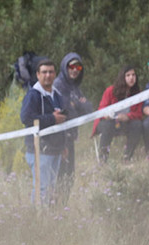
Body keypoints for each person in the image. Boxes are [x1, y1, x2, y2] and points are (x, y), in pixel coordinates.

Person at [19, 59, 67, 205]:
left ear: (55, 74)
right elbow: (26, 118)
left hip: (55, 150)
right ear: (38, 75)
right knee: (41, 189)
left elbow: (61, 121)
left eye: (51, 72)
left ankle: (48, 221)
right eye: (44, 72)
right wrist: (51, 119)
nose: (48, 75)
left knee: (51, 189)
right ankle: (37, 221)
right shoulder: (33, 95)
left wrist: (63, 145)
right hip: (38, 150)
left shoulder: (57, 95)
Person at [53, 53, 94, 199]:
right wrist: (78, 105)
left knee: (69, 177)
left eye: (78, 66)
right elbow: (67, 113)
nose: (75, 70)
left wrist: (78, 105)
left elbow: (89, 109)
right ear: (65, 66)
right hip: (59, 138)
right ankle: (54, 212)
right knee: (60, 178)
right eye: (71, 66)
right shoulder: (58, 85)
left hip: (70, 137)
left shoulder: (74, 87)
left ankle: (62, 211)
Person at [93, 65, 144, 162]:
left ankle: (127, 157)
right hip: (107, 122)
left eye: (133, 75)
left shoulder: (138, 93)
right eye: (128, 75)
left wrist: (128, 117)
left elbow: (139, 113)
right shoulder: (110, 91)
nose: (131, 78)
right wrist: (106, 115)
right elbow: (101, 108)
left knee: (137, 124)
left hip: (125, 123)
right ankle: (103, 159)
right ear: (122, 77)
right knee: (108, 126)